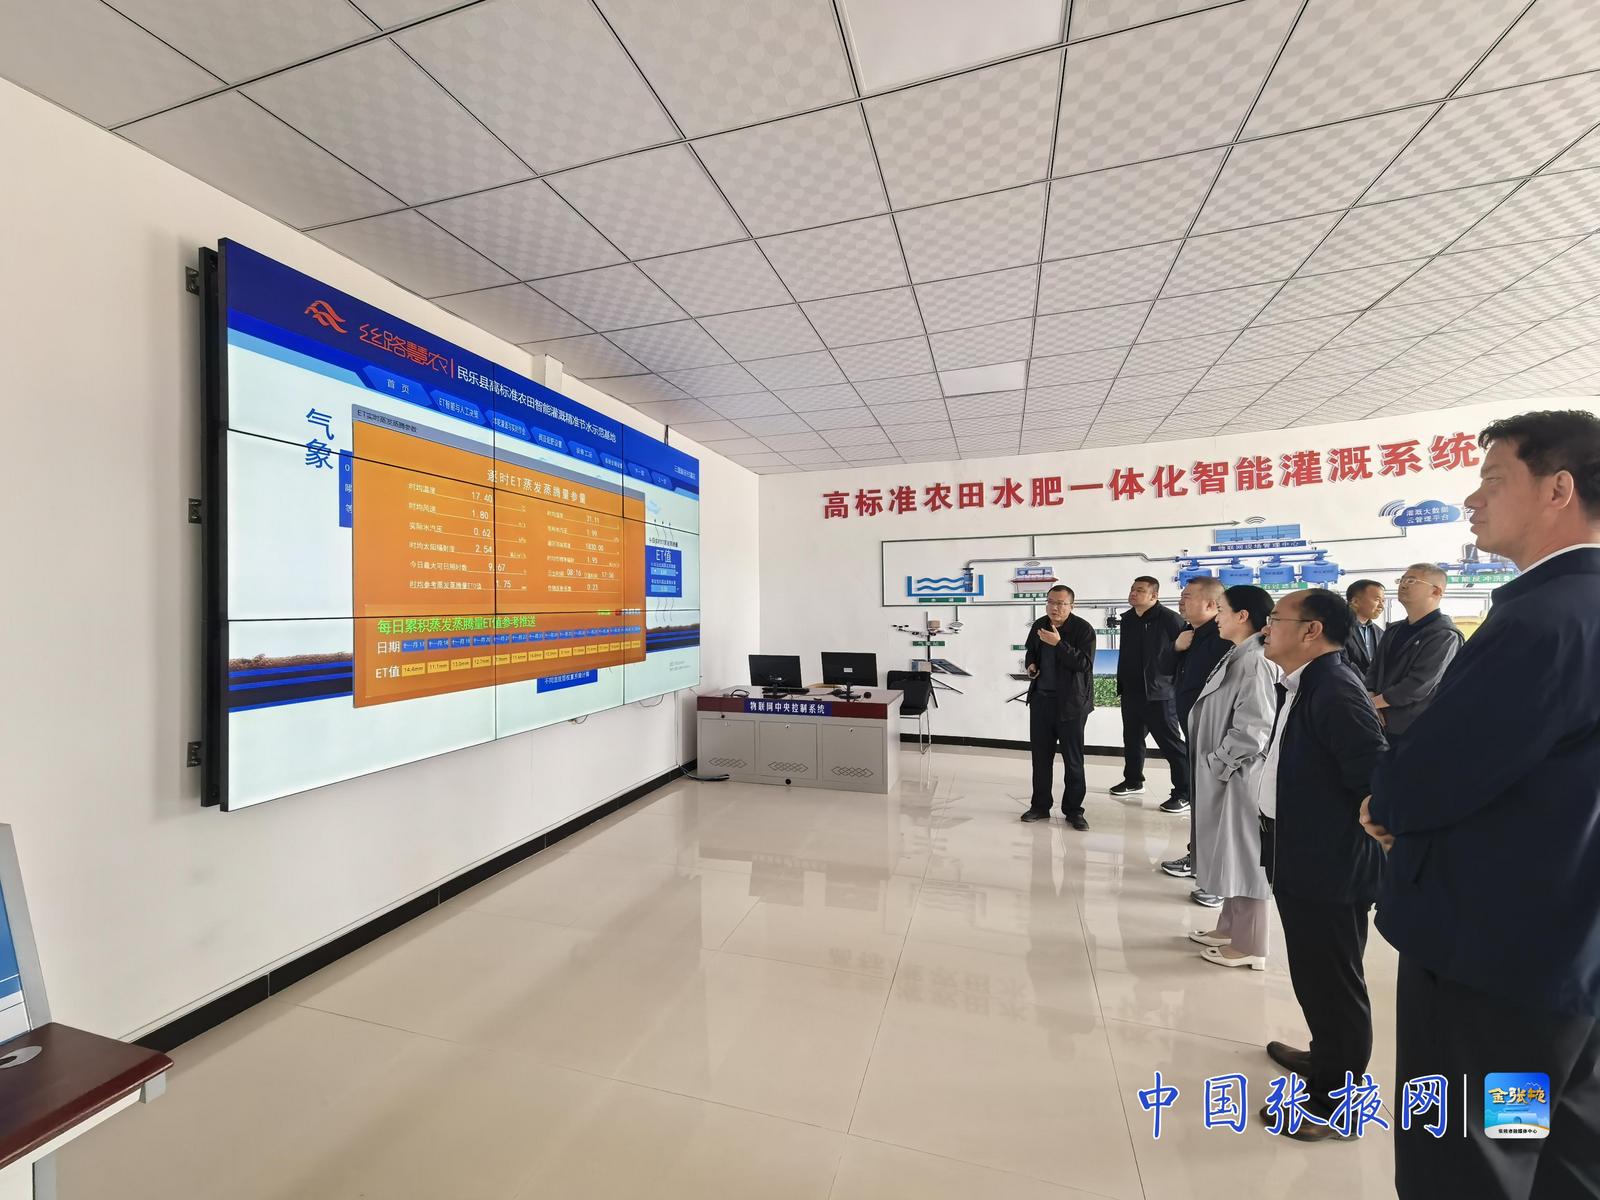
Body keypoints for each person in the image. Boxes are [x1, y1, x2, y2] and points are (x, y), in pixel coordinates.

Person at [1363, 410, 1600, 1197]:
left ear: (1558, 489)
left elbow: (1434, 774)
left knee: (1472, 1162)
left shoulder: (1543, 619)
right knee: (1563, 1153)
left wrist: (1387, 804)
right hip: (1573, 955)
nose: (1472, 500)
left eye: (1493, 480)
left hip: (1497, 965)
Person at [1259, 588, 1388, 1142]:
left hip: (1329, 863)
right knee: (1315, 974)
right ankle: (1327, 1058)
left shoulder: (1334, 688)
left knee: (1333, 983)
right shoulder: (1306, 682)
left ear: (1311, 630)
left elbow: (1373, 774)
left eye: (1275, 618)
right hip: (1300, 852)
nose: (1267, 627)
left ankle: (1338, 1106)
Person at [1186, 585, 1278, 969]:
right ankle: (1229, 927)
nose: (1217, 616)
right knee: (1229, 853)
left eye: (1222, 610)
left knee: (1245, 858)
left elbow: (1254, 729)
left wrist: (1219, 763)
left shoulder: (1256, 661)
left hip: (1239, 775)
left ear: (1243, 616)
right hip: (1225, 773)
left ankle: (1250, 945)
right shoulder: (1240, 653)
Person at [1158, 576, 1232, 905]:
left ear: (1212, 604)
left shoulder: (1224, 639)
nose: (1181, 601)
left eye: (1188, 596)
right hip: (1196, 730)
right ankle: (1198, 860)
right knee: (1202, 801)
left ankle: (1218, 878)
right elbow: (1163, 668)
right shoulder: (1190, 633)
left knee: (1217, 806)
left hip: (1218, 736)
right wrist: (1177, 647)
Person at [1112, 576, 1190, 815]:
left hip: (1160, 693)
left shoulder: (1170, 619)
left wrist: (1174, 685)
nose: (1133, 593)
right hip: (1132, 691)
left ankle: (1184, 793)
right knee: (1132, 739)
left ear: (1154, 596)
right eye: (1132, 589)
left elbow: (1183, 654)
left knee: (1171, 744)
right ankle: (1133, 781)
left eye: (1140, 590)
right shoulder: (1128, 619)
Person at [1023, 585, 1097, 829]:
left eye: (1061, 603)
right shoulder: (1039, 625)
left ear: (1071, 606)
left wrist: (1059, 644)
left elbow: (1084, 664)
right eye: (1051, 602)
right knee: (1040, 758)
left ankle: (1074, 811)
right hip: (1042, 701)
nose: (1055, 607)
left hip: (1071, 705)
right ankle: (1040, 806)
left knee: (1073, 760)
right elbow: (1031, 652)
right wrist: (1031, 665)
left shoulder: (1083, 629)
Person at [1364, 563, 1462, 747]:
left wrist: (1371, 704)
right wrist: (1370, 700)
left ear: (1436, 591)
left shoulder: (1444, 635)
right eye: (1402, 580)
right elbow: (1374, 669)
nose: (1403, 584)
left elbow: (1418, 684)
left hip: (1414, 727)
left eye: (1412, 580)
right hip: (1379, 721)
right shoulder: (1393, 630)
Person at [1342, 579, 1385, 677]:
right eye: (1377, 600)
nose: (1381, 606)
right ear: (1355, 601)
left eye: (1383, 601)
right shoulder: (1337, 628)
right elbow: (1342, 663)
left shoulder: (1380, 632)